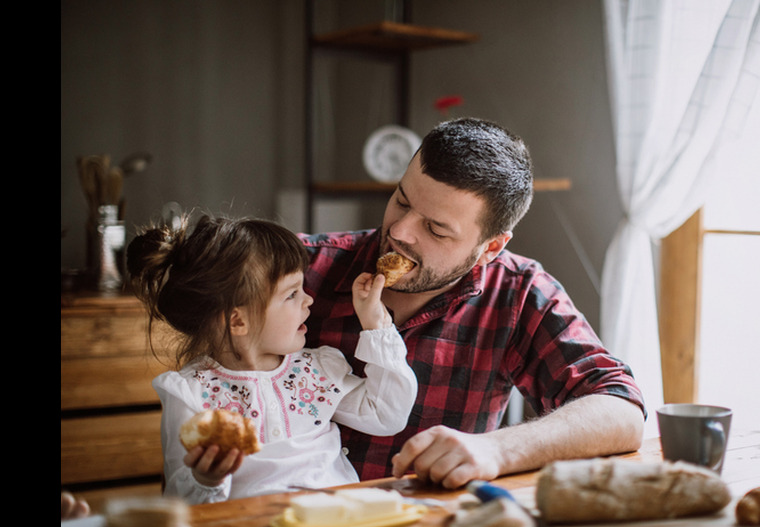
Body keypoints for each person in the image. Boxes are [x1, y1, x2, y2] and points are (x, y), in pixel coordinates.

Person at [300, 117, 646, 489]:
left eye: (435, 229)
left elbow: (621, 410)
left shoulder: (517, 293)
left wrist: (498, 449)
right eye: (401, 201)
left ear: (491, 247)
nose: (399, 232)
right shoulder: (300, 267)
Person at [126, 215, 418, 504]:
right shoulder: (190, 393)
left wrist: (376, 323)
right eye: (291, 294)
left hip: (336, 521)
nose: (308, 300)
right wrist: (205, 479)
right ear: (238, 321)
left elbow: (387, 415)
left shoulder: (317, 370)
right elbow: (180, 499)